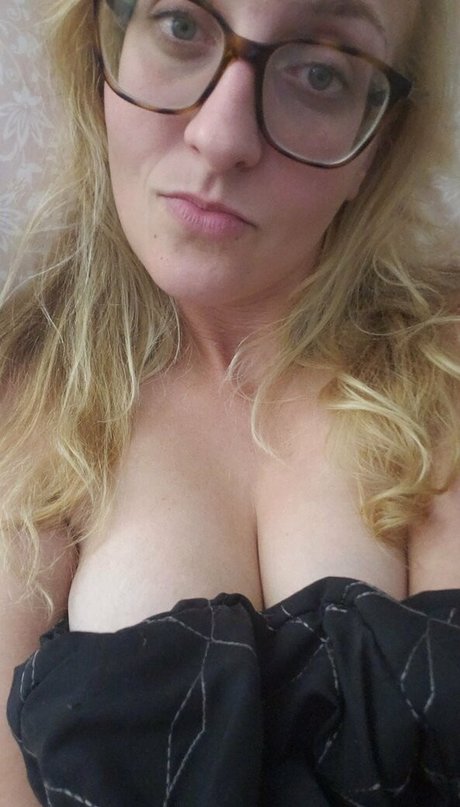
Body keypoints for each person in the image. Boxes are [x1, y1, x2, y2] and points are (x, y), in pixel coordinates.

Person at [1, 0, 460, 804]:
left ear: (377, 142)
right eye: (181, 25)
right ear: (100, 52)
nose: (221, 136)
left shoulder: (447, 374)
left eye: (319, 72)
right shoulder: (16, 401)